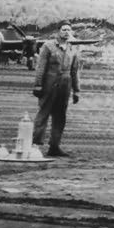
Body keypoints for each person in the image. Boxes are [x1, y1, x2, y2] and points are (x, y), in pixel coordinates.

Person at [32, 22, 81, 158]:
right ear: (58, 31)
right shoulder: (48, 46)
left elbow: (75, 71)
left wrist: (76, 90)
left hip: (65, 86)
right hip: (49, 85)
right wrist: (37, 85)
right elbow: (40, 67)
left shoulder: (73, 50)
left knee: (60, 117)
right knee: (43, 114)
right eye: (64, 29)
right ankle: (34, 146)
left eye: (69, 30)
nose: (66, 32)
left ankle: (54, 147)